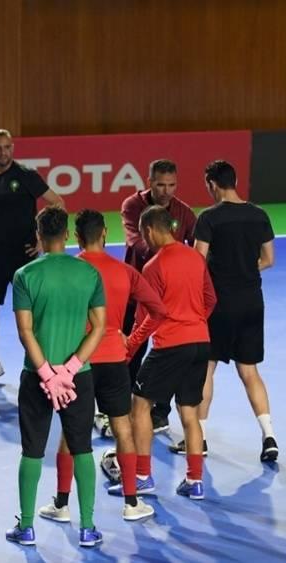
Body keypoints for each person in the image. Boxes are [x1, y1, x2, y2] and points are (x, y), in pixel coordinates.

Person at [36, 210, 164, 523]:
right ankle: (132, 503)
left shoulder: (69, 270)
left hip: (78, 363)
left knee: (70, 432)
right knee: (122, 428)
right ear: (105, 233)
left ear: (76, 237)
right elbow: (158, 311)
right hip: (116, 362)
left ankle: (62, 504)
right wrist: (130, 343)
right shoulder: (125, 271)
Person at [6, 207, 106, 549]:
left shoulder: (24, 275)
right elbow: (100, 327)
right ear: (66, 234)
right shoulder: (89, 273)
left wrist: (48, 373)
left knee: (32, 451)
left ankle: (27, 527)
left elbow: (25, 331)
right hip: (79, 379)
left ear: (39, 235)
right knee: (82, 449)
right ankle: (88, 527)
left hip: (37, 377)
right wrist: (70, 370)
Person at [126, 206, 217, 501]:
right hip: (200, 342)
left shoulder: (153, 266)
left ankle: (141, 476)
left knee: (140, 404)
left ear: (151, 230)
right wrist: (194, 321)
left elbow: (150, 316)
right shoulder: (195, 257)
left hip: (170, 346)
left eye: (144, 234)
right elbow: (210, 299)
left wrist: (129, 347)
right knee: (189, 412)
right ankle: (195, 481)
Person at [192, 160, 278, 463]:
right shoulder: (259, 215)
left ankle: (198, 438)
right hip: (252, 302)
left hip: (219, 305)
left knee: (207, 368)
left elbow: (196, 262)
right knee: (250, 371)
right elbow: (269, 259)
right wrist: (243, 268)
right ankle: (269, 436)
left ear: (213, 185)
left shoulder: (208, 218)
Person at [0, 129, 63, 386]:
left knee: (34, 310)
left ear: (13, 148)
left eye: (7, 147)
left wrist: (42, 240)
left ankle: (41, 363)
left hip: (24, 254)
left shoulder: (26, 176)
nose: (3, 152)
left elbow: (57, 202)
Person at [120, 159, 197, 433]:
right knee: (130, 350)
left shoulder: (185, 213)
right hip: (136, 294)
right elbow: (136, 243)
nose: (166, 191)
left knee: (168, 354)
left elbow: (198, 251)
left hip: (171, 298)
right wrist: (173, 255)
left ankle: (159, 414)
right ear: (149, 182)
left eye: (172, 185)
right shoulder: (132, 206)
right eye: (160, 185)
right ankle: (123, 407)